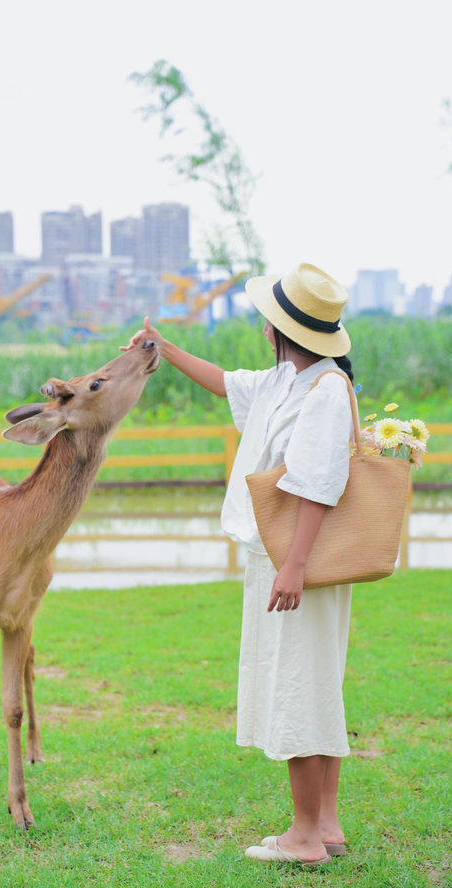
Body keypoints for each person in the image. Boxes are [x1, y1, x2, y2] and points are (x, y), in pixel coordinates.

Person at [123, 262, 356, 868]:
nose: (261, 326)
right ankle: (325, 823)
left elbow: (317, 486)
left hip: (294, 562)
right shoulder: (288, 379)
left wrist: (294, 566)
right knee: (310, 682)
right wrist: (163, 348)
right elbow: (226, 384)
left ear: (282, 328)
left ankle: (304, 837)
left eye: (267, 318)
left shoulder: (325, 392)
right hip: (279, 558)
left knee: (298, 688)